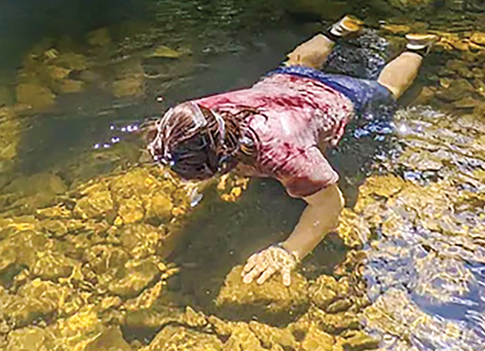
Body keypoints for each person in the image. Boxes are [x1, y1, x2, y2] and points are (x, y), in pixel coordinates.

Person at [146, 15, 437, 286]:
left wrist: (289, 251)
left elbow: (330, 205)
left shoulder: (282, 154)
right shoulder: (195, 115)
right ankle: (337, 32)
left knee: (387, 89)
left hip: (339, 96)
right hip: (287, 82)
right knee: (297, 62)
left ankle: (418, 48)